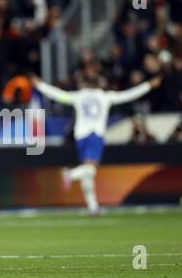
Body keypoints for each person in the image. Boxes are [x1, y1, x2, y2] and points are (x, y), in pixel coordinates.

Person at [30, 71, 162, 216]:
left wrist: (40, 85)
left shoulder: (78, 96)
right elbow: (128, 95)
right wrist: (148, 85)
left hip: (80, 136)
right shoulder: (105, 96)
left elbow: (58, 95)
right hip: (95, 135)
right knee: (91, 169)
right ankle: (70, 174)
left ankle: (93, 207)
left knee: (88, 173)